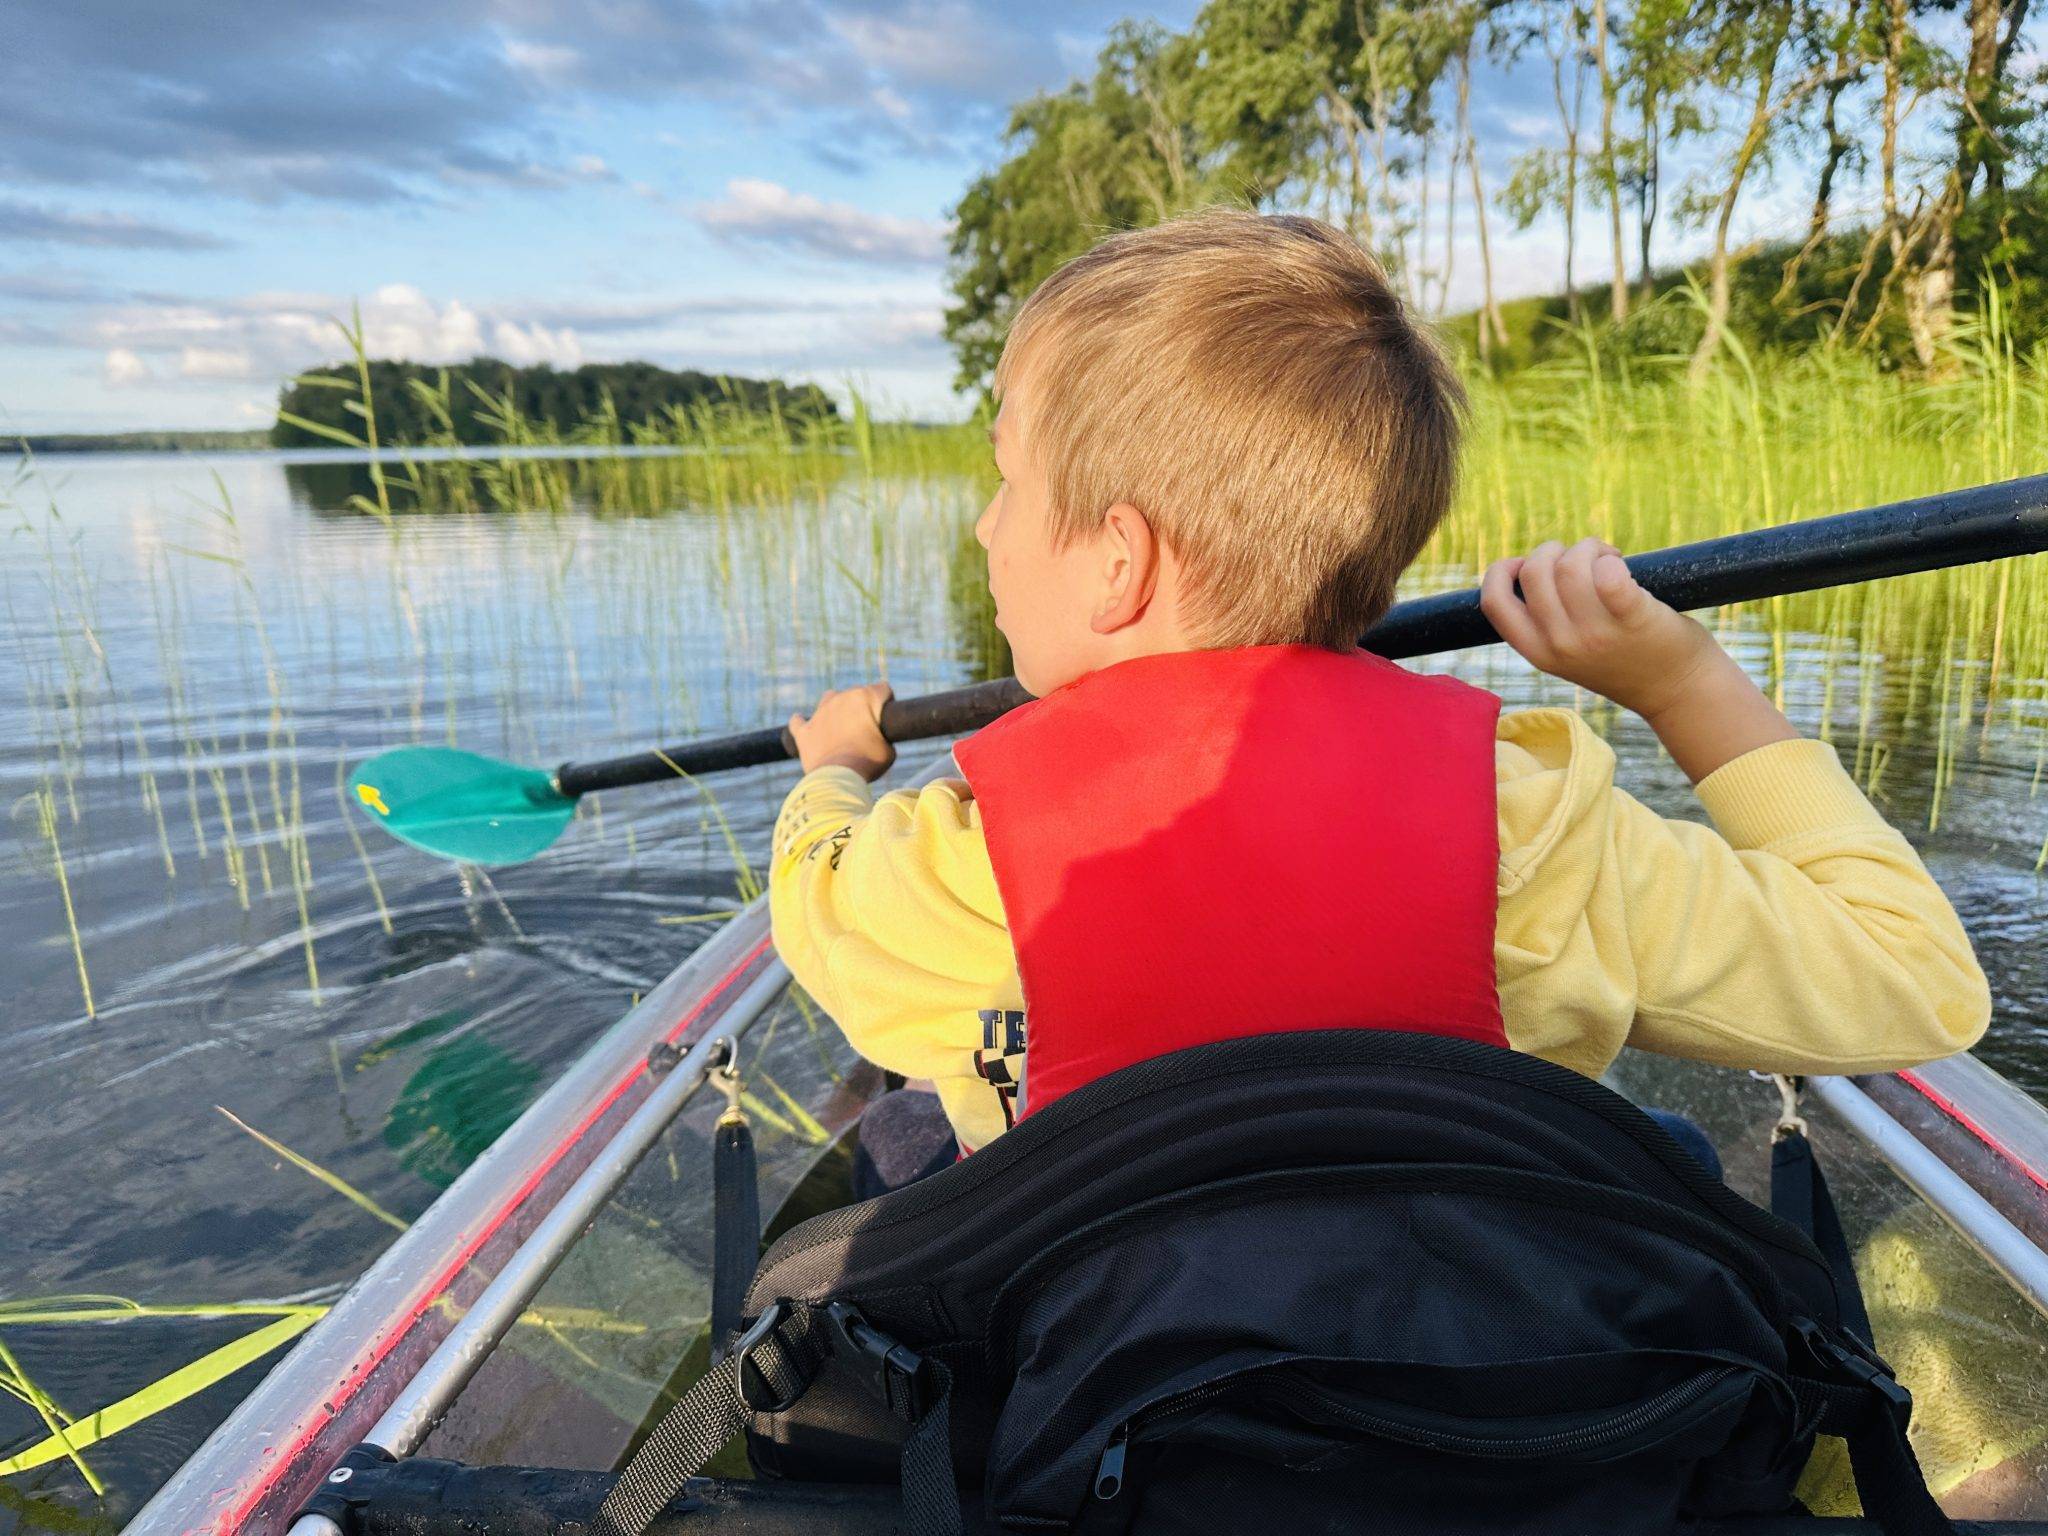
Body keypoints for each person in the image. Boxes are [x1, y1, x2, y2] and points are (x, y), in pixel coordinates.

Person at [768, 208, 1989, 1170]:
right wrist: (1679, 681)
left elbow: (810, 903)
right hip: (1473, 1396)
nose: (984, 528)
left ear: (1118, 560)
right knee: (1657, 1150)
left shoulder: (948, 873)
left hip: (1103, 1422)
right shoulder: (1540, 834)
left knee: (903, 1139)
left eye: (1005, 483)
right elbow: (1913, 981)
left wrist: (833, 765)